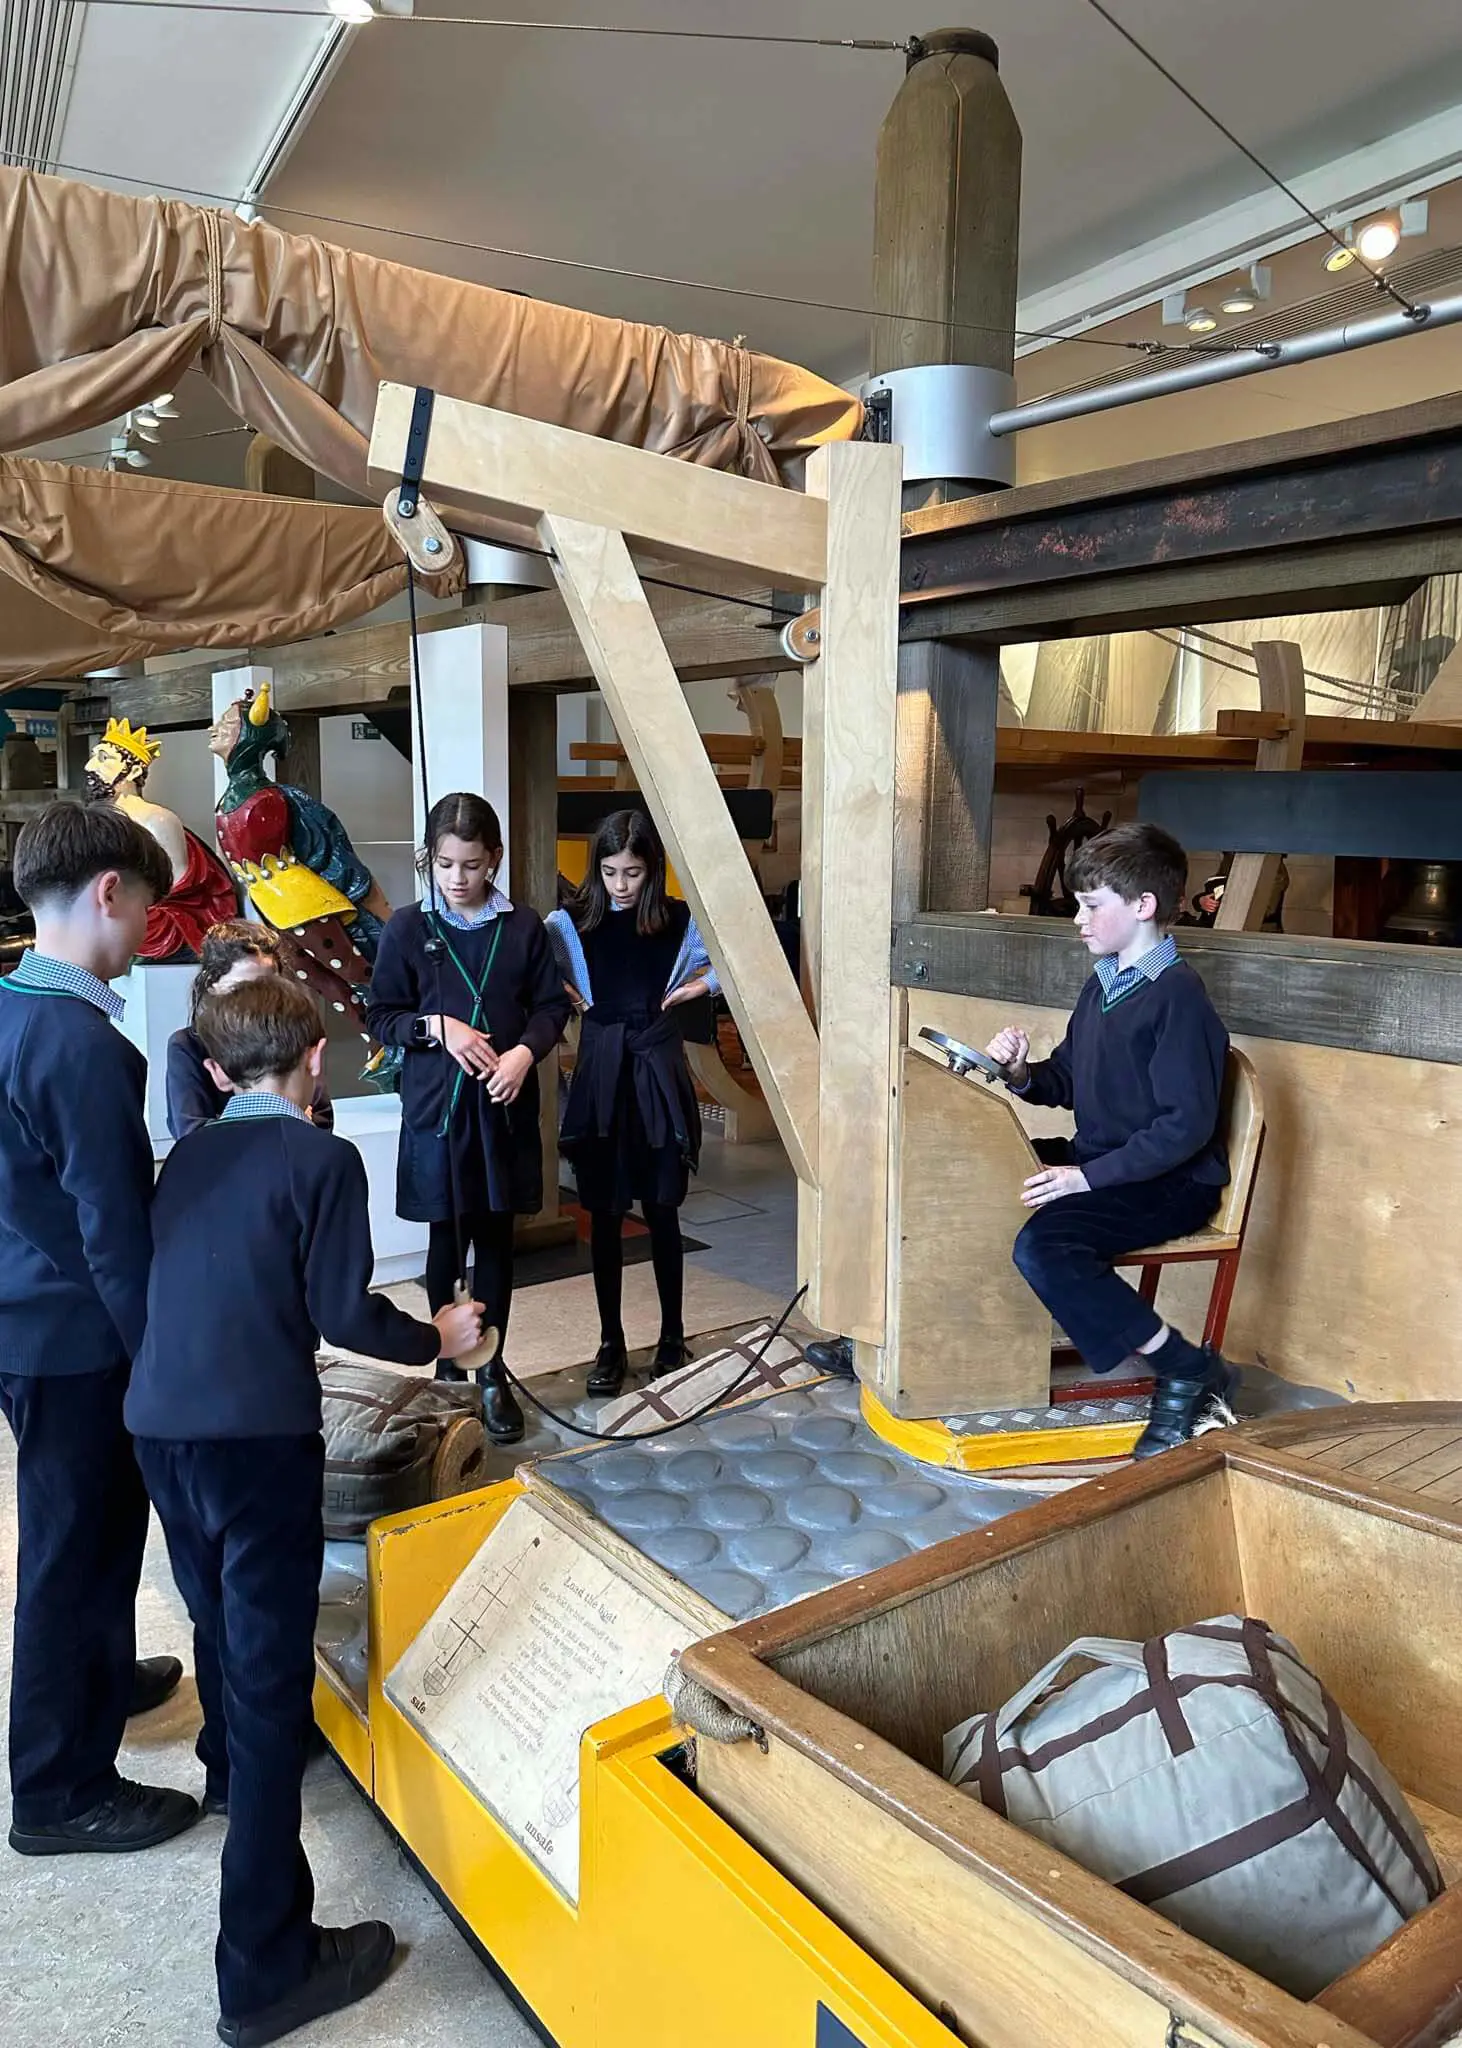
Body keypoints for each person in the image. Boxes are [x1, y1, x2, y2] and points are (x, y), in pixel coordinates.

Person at [126, 976, 483, 2047]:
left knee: (220, 1629)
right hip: (253, 1443)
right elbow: (343, 1312)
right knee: (274, 1673)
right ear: (314, 1061)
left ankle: (230, 1769)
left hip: (159, 1427)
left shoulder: (187, 1151)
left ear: (221, 1068)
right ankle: (266, 1969)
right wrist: (442, 1339)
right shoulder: (320, 1159)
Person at [0, 802, 197, 1856]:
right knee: (72, 1553)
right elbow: (114, 1234)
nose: (148, 937)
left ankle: (105, 1679)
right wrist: (162, 1363)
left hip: (23, 1316)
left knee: (94, 1532)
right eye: (148, 911)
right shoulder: (82, 1043)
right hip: (79, 1335)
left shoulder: (6, 1008)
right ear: (108, 892)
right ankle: (58, 1788)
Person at [984, 822, 1235, 1458]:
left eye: (1092, 905)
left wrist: (1084, 1179)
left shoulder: (1177, 997)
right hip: (1109, 1165)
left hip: (1171, 1183)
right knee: (968, 1168)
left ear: (1143, 906)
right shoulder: (1106, 983)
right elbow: (1066, 1077)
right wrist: (1020, 1073)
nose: (1078, 919)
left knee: (1049, 1246)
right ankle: (923, 1343)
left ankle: (1186, 1367)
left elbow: (1186, 1126)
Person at [366, 793, 570, 1446]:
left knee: (497, 1242)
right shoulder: (406, 928)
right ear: (431, 861)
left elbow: (549, 1009)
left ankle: (493, 1369)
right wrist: (439, 1028)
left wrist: (522, 1055)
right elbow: (382, 1016)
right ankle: (452, 1367)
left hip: (502, 1107)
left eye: (473, 865)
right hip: (437, 1111)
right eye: (446, 864)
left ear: (495, 860)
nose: (458, 878)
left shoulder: (525, 928)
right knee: (446, 1241)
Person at [546, 810, 718, 1399]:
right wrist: (557, 989)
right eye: (611, 871)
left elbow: (736, 956)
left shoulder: (677, 920)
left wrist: (704, 985)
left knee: (664, 1207)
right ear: (597, 867)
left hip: (657, 1067)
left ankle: (673, 1334)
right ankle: (610, 1343)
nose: (621, 885)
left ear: (653, 870)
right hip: (602, 1071)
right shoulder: (570, 923)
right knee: (607, 1213)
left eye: (634, 873)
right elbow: (536, 971)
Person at [166, 920, 334, 1139]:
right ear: (212, 986)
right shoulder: (188, 1045)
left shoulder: (300, 1035)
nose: (256, 1001)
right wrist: (295, 1118)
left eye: (267, 986)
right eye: (241, 989)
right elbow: (191, 1133)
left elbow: (322, 1119)